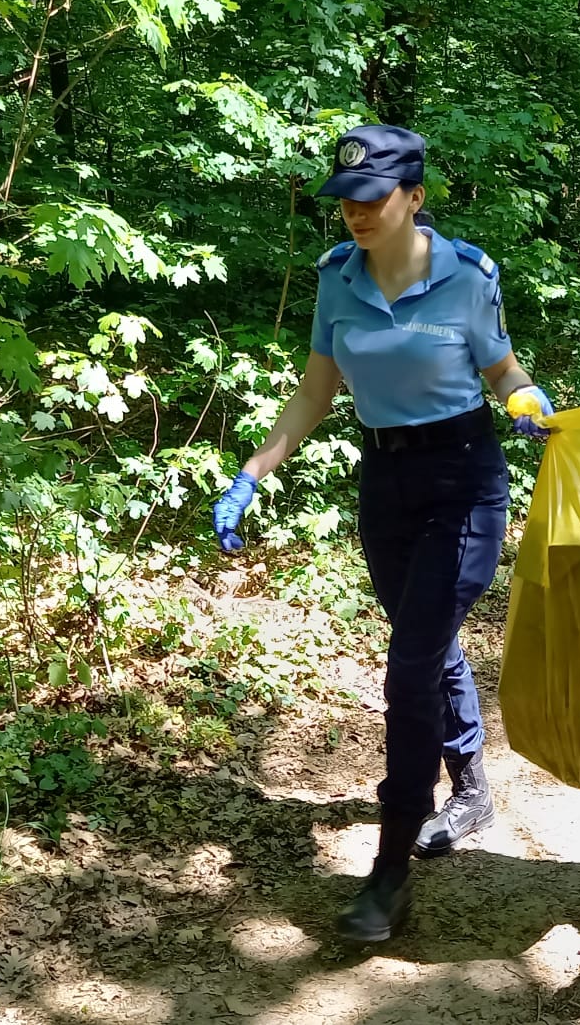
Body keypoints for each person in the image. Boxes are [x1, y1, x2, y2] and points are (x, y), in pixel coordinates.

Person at [210, 124, 553, 942]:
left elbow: (502, 368)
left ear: (414, 197)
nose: (356, 213)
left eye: (373, 198)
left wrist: (526, 398)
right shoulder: (337, 277)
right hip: (385, 484)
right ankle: (473, 785)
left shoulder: (468, 276)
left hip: (463, 483)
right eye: (346, 201)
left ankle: (390, 869)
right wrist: (252, 472)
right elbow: (315, 391)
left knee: (409, 667)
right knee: (423, 639)